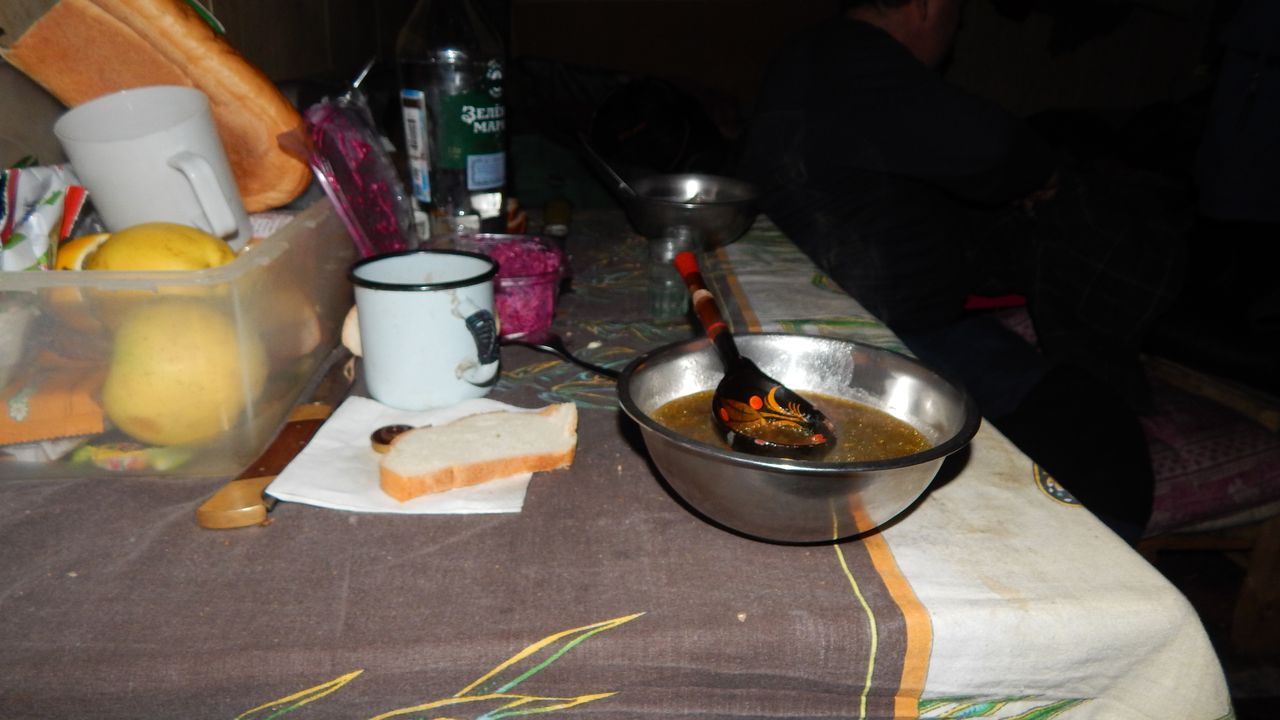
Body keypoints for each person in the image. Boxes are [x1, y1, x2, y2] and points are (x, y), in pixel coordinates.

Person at [737, 0, 1188, 541]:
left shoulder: (807, 54)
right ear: (929, 7)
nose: (956, 33)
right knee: (1097, 432)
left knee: (1069, 401)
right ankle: (1094, 571)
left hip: (842, 298)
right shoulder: (859, 58)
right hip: (884, 329)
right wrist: (1045, 175)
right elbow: (995, 148)